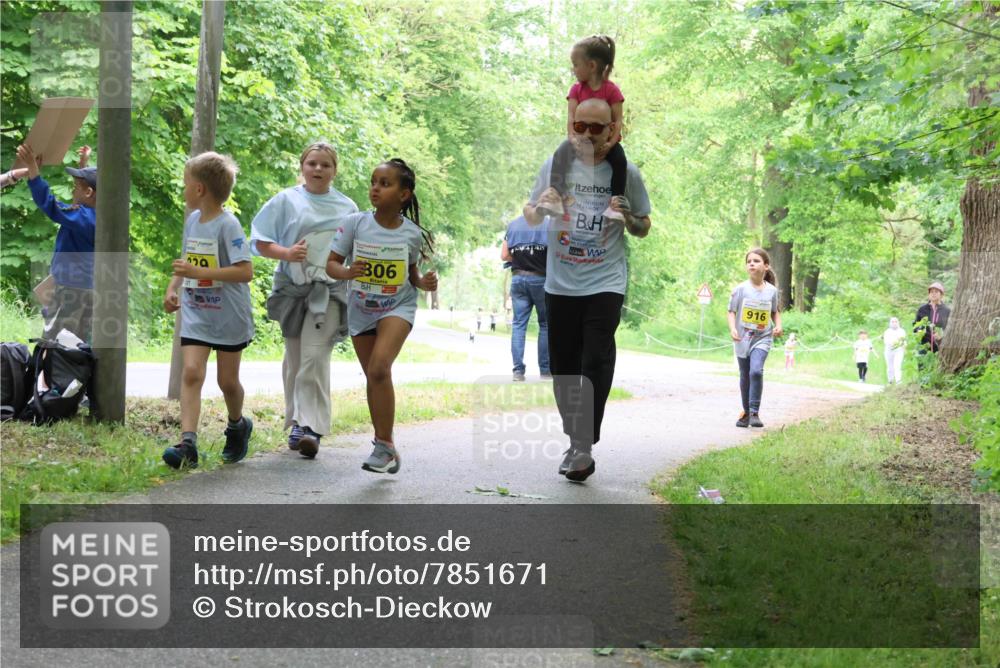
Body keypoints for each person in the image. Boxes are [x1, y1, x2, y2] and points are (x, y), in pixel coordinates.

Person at [524, 98, 652, 482]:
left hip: (605, 281)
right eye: (580, 126)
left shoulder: (626, 172)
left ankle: (583, 446)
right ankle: (575, 439)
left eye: (597, 128)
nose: (587, 135)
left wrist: (628, 216)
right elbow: (529, 214)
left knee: (594, 360)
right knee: (564, 367)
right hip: (561, 282)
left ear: (613, 130)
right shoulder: (556, 165)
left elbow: (644, 226)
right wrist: (543, 209)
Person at [328, 159, 437, 474]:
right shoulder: (355, 224)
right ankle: (387, 445)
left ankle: (382, 445)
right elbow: (331, 264)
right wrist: (348, 271)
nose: (375, 188)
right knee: (375, 377)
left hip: (397, 306)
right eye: (374, 182)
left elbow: (411, 273)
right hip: (362, 308)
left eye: (385, 183)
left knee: (379, 367)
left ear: (404, 194)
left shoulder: (411, 233)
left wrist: (423, 282)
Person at [251, 142, 359, 458]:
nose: (317, 169)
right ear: (302, 166)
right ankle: (297, 420)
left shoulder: (348, 207)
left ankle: (310, 426)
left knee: (314, 356)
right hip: (292, 290)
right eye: (312, 163)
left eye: (325, 165)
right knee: (296, 360)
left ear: (334, 170)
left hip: (331, 292)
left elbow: (357, 249)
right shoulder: (286, 200)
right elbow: (259, 241)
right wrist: (286, 253)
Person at [161, 152, 254, 469]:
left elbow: (245, 271)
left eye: (186, 184)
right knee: (191, 373)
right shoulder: (192, 221)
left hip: (228, 316)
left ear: (199, 189)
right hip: (196, 313)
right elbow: (186, 261)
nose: (184, 189)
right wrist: (173, 287)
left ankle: (237, 424)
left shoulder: (228, 225)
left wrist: (202, 274)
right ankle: (188, 443)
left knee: (227, 382)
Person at [537, 35, 629, 224]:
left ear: (592, 66)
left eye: (576, 65)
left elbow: (618, 120)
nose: (573, 70)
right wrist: (572, 137)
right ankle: (555, 194)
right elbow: (571, 117)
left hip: (604, 142)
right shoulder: (576, 90)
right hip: (579, 140)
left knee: (620, 160)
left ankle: (615, 203)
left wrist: (611, 143)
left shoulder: (612, 91)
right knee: (561, 153)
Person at [15, 143, 96, 342]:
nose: (72, 189)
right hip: (82, 288)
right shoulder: (94, 215)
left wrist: (34, 172)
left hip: (70, 290)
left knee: (55, 344)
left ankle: (51, 373)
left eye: (76, 186)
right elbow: (87, 195)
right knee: (74, 343)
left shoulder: (83, 218)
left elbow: (51, 206)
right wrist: (83, 165)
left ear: (88, 193)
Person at [727, 248, 783, 428]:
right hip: (742, 338)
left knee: (756, 371)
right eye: (749, 261)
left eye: (756, 261)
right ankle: (745, 414)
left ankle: (754, 412)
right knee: (745, 375)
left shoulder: (772, 291)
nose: (752, 263)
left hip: (763, 337)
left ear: (766, 266)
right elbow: (731, 311)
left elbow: (775, 312)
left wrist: (778, 326)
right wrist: (733, 329)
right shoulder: (740, 289)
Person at [501, 214, 550, 382]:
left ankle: (518, 371)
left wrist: (521, 257)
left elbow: (504, 255)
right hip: (541, 280)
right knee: (545, 324)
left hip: (517, 279)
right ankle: (545, 370)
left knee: (519, 325)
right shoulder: (549, 224)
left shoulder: (513, 225)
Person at [914, 281, 950, 353]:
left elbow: (949, 329)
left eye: (936, 292)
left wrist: (941, 336)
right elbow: (915, 325)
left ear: (941, 295)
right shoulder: (922, 309)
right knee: (923, 363)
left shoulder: (947, 310)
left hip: (939, 346)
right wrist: (919, 331)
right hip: (924, 345)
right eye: (931, 292)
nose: (933, 294)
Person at [883, 317, 906, 384]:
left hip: (899, 350)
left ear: (898, 322)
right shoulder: (887, 331)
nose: (894, 323)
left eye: (896, 321)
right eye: (892, 322)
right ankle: (890, 380)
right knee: (890, 367)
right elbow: (886, 341)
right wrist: (892, 343)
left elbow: (903, 341)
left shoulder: (902, 331)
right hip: (889, 351)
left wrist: (904, 349)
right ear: (890, 323)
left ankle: (898, 381)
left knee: (897, 365)